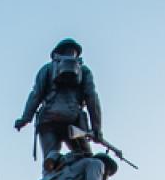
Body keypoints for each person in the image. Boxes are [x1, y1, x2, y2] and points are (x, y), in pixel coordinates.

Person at [15, 38, 103, 167]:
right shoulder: (84, 71)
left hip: (47, 120)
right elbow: (92, 98)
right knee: (87, 160)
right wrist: (97, 129)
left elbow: (35, 95)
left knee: (50, 166)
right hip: (73, 121)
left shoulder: (46, 69)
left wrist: (25, 118)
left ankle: (53, 173)